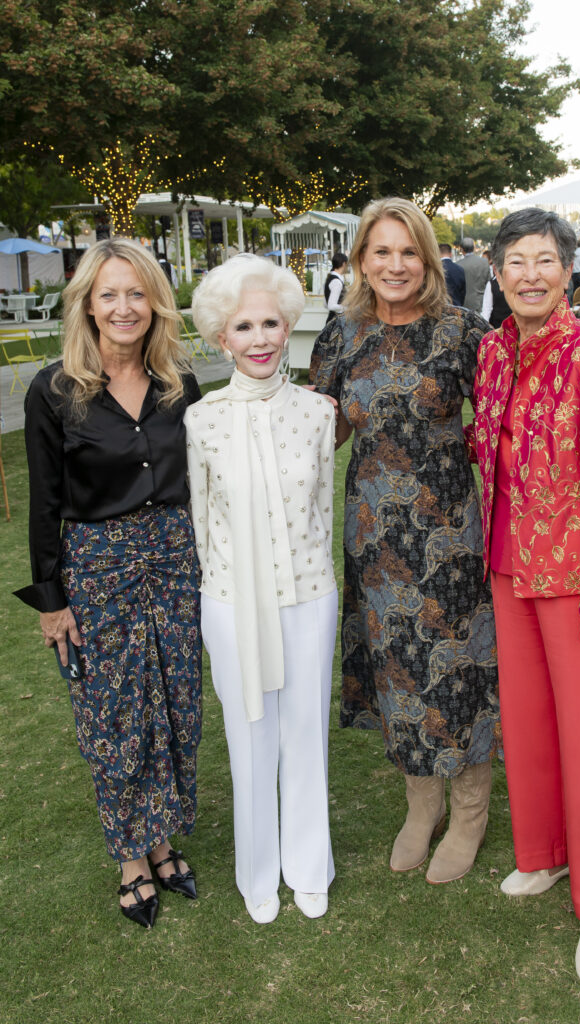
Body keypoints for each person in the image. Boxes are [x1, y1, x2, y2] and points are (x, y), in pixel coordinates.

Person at [473, 208, 580, 986]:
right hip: (509, 565)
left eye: (543, 260)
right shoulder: (489, 352)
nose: (530, 275)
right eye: (515, 261)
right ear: (497, 273)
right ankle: (541, 855)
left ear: (569, 271)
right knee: (530, 726)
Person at [310, 197, 499, 887]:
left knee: (460, 674)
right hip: (374, 540)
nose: (394, 265)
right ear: (361, 259)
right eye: (380, 251)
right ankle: (421, 807)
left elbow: (504, 429)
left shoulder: (464, 333)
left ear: (427, 258)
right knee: (396, 674)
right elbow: (319, 433)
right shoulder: (340, 336)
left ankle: (470, 811)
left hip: (449, 535)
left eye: (407, 251)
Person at [14, 238, 203, 929]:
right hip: (96, 567)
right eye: (109, 295)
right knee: (114, 715)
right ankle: (130, 856)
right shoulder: (53, 390)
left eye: (136, 293)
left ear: (154, 301)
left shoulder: (179, 381)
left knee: (176, 705)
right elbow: (42, 503)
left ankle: (162, 839)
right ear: (88, 304)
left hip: (178, 563)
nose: (124, 308)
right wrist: (51, 600)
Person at [186, 254, 337, 924]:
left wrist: (316, 585)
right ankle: (257, 873)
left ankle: (309, 865)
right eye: (243, 326)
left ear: (288, 328)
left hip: (308, 595)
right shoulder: (201, 420)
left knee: (305, 734)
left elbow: (323, 513)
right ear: (223, 337)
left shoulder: (316, 414)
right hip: (230, 600)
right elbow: (197, 522)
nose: (258, 338)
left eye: (270, 323)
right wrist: (216, 599)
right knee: (250, 737)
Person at [459, 237, 490, 312]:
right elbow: (488, 282)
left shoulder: (458, 265)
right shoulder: (484, 262)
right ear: (474, 248)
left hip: (462, 305)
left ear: (461, 249)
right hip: (480, 303)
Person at [324, 251, 348, 323]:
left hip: (332, 320)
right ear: (344, 264)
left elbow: (325, 303)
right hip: (336, 322)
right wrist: (347, 308)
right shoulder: (337, 282)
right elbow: (331, 306)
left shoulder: (330, 278)